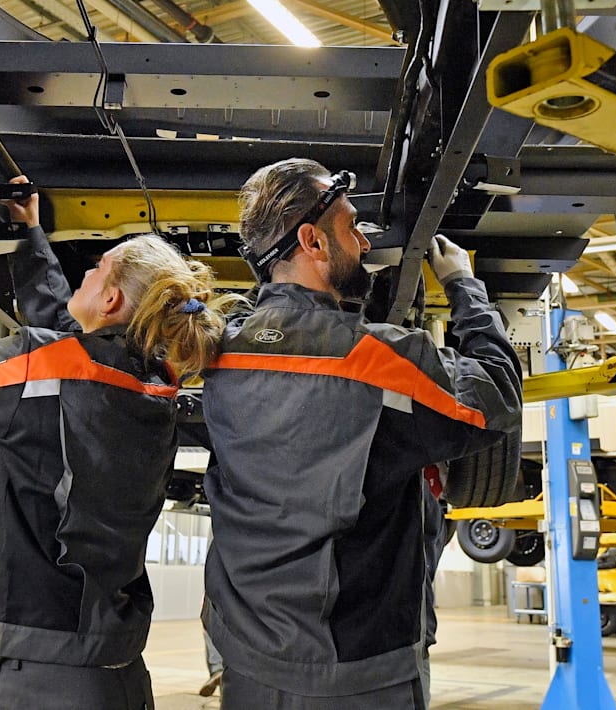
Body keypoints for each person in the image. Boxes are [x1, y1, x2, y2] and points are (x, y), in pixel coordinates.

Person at [0, 176, 238, 710]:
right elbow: (69, 346)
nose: (87, 270)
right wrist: (29, 235)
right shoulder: (154, 390)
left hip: (41, 674)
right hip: (119, 669)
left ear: (112, 298)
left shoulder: (58, 371)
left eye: (97, 268)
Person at [201, 158, 524, 707]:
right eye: (352, 227)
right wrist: (465, 287)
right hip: (359, 675)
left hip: (249, 666)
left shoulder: (217, 353)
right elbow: (496, 397)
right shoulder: (377, 359)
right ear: (313, 242)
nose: (366, 243)